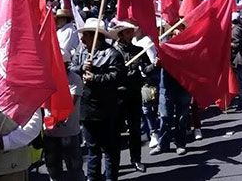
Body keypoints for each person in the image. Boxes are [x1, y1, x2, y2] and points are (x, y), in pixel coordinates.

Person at [70, 18, 124, 181]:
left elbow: (118, 77)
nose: (81, 39)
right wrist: (81, 68)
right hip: (87, 107)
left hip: (107, 108)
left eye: (85, 35)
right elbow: (71, 68)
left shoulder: (112, 54)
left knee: (109, 148)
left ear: (95, 36)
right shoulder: (80, 51)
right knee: (92, 148)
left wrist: (96, 78)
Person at [110, 20, 153, 173]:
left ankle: (136, 159)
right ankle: (114, 162)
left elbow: (146, 69)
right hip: (117, 95)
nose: (130, 34)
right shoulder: (112, 52)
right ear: (120, 34)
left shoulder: (138, 50)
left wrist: (154, 65)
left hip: (134, 93)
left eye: (130, 31)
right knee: (115, 130)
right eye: (127, 32)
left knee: (135, 129)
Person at [44, 47, 85, 181]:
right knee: (53, 169)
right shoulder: (47, 79)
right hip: (50, 133)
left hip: (69, 133)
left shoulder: (74, 79)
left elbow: (70, 104)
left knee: (74, 170)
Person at [151, 25, 192, 156]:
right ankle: (163, 144)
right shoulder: (164, 47)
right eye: (175, 33)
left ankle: (180, 144)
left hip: (183, 87)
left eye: (180, 33)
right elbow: (154, 66)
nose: (177, 35)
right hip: (166, 87)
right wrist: (156, 64)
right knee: (164, 117)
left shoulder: (189, 48)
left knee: (181, 118)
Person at [231, 12, 242, 111]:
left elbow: (237, 45)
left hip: (237, 60)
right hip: (235, 59)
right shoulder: (237, 28)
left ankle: (241, 103)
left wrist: (227, 43)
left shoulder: (236, 30)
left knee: (240, 82)